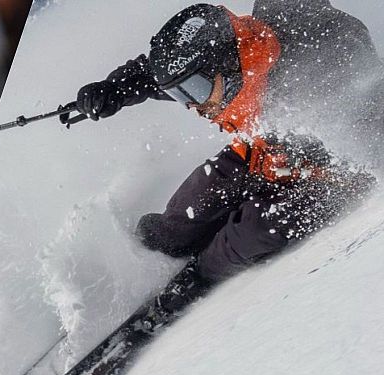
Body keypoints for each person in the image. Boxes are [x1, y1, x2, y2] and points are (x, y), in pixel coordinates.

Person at [74, 1, 380, 326]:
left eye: (194, 90)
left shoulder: (314, 69)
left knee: (256, 229)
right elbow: (160, 69)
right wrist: (114, 89)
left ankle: (202, 275)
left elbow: (371, 125)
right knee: (186, 213)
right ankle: (162, 246)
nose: (193, 104)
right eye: (181, 94)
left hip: (334, 175)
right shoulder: (223, 67)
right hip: (264, 150)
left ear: (225, 65)